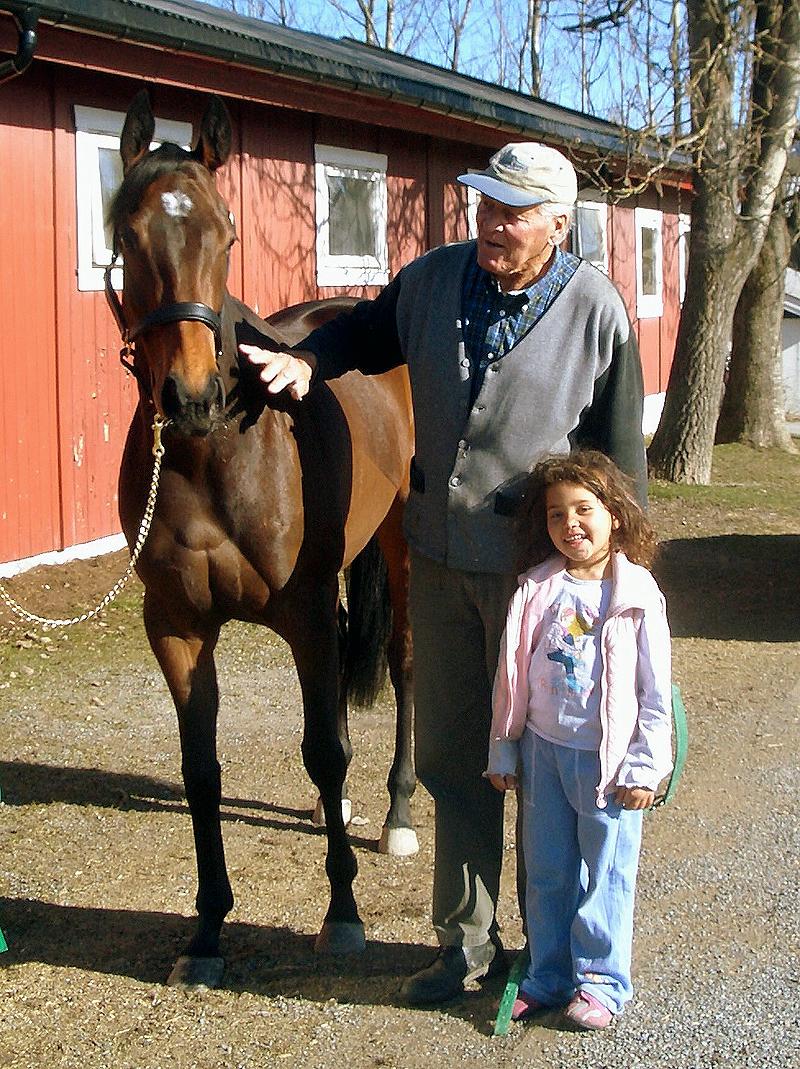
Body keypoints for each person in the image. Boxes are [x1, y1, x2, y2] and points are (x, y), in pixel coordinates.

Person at [240, 141, 649, 1005]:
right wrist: (307, 359)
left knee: (547, 767)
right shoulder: (430, 281)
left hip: (545, 582)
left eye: (513, 212)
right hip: (438, 560)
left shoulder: (597, 310)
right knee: (454, 759)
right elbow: (361, 330)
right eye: (485, 205)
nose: (490, 223)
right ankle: (463, 945)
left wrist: (626, 582)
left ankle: (550, 956)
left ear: (558, 224)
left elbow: (620, 469)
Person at [487, 451, 672, 1030]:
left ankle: (601, 983)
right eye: (556, 514)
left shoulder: (636, 593)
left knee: (607, 874)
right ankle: (548, 974)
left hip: (606, 764)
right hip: (543, 752)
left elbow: (655, 691)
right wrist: (504, 747)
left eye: (583, 509)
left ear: (614, 514)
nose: (570, 524)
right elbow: (511, 676)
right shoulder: (537, 588)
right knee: (547, 871)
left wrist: (644, 767)